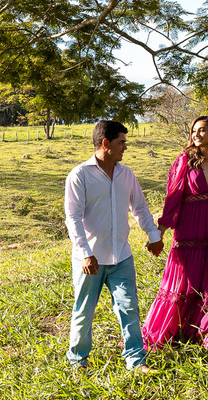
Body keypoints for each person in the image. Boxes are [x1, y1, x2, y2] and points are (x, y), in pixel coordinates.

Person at [64, 119, 164, 372]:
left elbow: (139, 208)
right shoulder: (80, 175)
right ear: (105, 143)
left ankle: (135, 360)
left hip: (121, 256)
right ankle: (78, 361)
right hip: (90, 260)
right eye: (121, 143)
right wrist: (85, 253)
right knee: (84, 310)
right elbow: (73, 217)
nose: (125, 148)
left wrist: (153, 235)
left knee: (129, 307)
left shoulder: (126, 174)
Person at [142, 115, 208, 353]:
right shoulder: (183, 160)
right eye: (194, 130)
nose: (196, 134)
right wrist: (161, 230)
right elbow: (173, 197)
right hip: (189, 231)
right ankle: (168, 333)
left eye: (202, 130)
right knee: (183, 285)